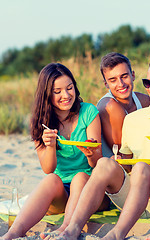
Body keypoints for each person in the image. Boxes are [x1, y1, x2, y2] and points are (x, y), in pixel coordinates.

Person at [48, 53, 150, 240]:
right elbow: (127, 163)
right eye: (148, 83)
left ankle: (117, 234)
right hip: (133, 198)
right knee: (105, 164)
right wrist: (119, 162)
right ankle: (71, 230)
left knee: (141, 168)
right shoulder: (132, 120)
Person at [1, 63, 108, 240]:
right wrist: (50, 146)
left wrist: (91, 153)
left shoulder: (89, 112)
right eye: (57, 91)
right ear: (47, 94)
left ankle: (65, 229)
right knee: (51, 179)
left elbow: (98, 165)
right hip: (61, 195)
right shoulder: (40, 122)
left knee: (80, 176)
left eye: (69, 88)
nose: (65, 95)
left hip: (90, 189)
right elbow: (48, 169)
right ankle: (13, 233)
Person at [97, 52, 150, 157]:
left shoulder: (144, 101)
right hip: (117, 167)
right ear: (106, 84)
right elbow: (123, 155)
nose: (121, 84)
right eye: (113, 80)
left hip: (141, 161)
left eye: (124, 76)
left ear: (133, 75)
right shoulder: (109, 106)